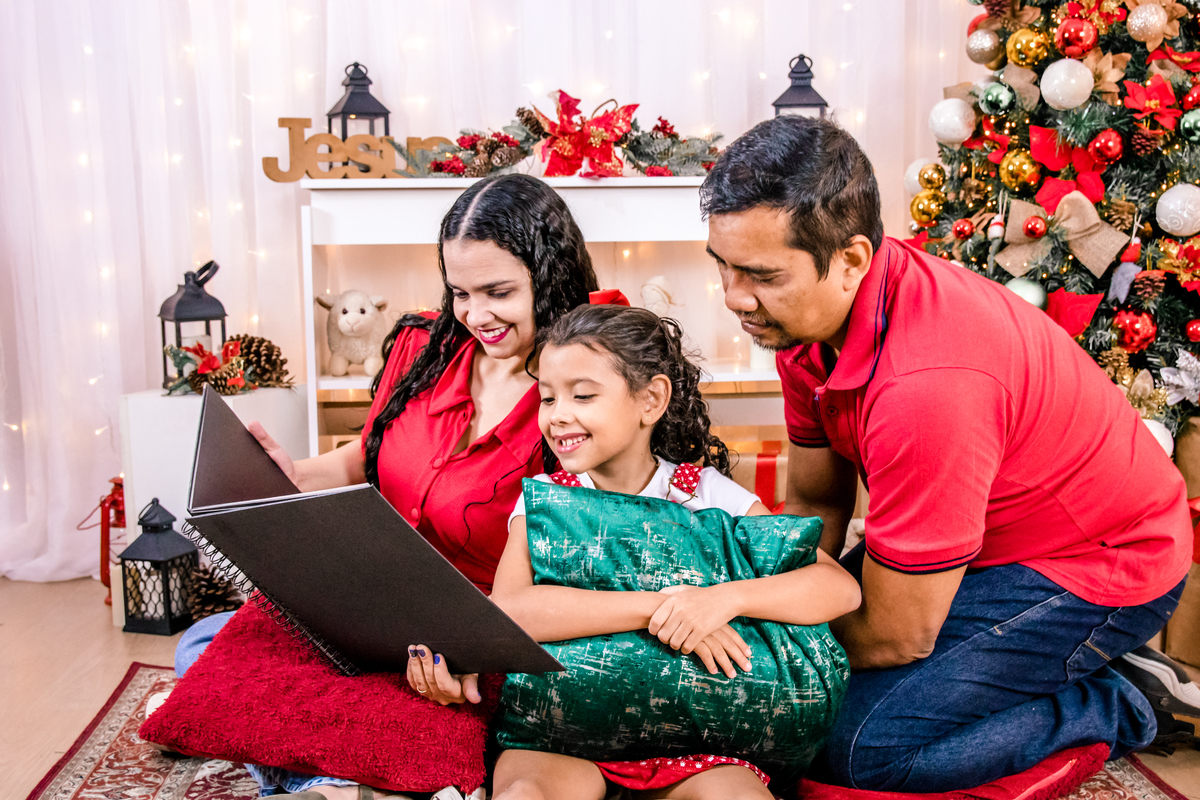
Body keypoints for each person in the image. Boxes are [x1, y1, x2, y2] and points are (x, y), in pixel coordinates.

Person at [699, 114, 1193, 792]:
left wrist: (762, 650)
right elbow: (817, 502)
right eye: (721, 266)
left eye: (760, 274)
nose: (733, 299)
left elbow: (898, 635)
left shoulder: (927, 387)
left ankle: (1114, 698)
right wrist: (773, 609)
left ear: (851, 261)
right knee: (786, 699)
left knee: (854, 746)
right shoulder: (804, 326)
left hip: (1097, 563)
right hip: (968, 547)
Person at [173, 173, 600, 799]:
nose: (476, 315)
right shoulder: (422, 347)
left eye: (499, 292)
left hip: (473, 641)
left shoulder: (581, 393)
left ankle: (322, 775)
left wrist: (478, 654)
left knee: (384, 707)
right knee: (203, 645)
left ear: (550, 278)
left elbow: (581, 559)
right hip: (370, 602)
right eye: (460, 292)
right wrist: (294, 476)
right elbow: (373, 453)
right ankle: (340, 773)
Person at [486, 304, 862, 800]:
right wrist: (665, 609)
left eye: (582, 396)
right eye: (547, 398)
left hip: (698, 742)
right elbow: (511, 614)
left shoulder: (708, 494)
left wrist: (720, 601)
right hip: (563, 738)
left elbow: (838, 588)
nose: (558, 416)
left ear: (651, 399)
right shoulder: (544, 497)